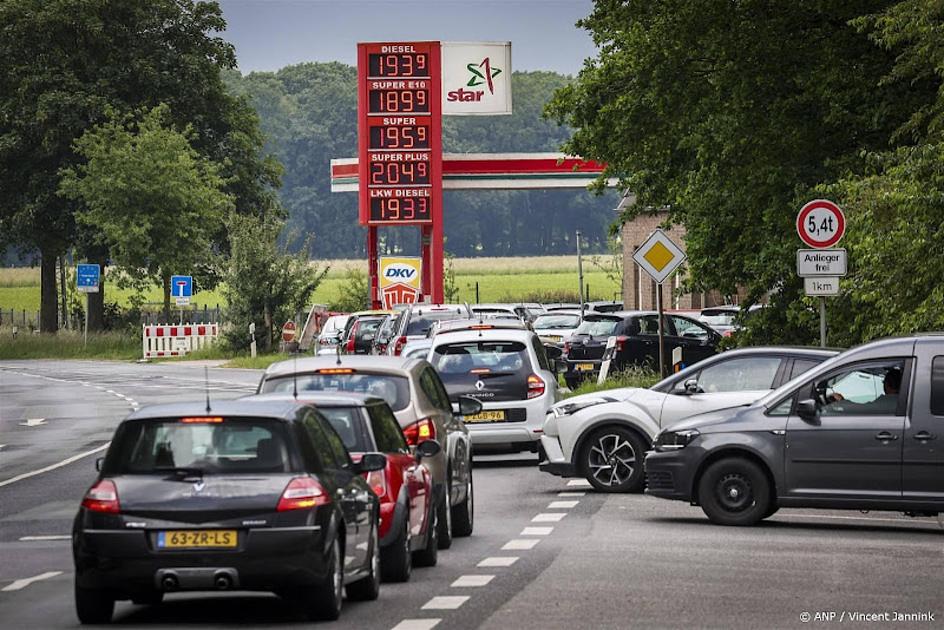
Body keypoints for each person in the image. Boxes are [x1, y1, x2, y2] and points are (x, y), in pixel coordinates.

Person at [825, 367, 901, 414]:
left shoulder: (886, 402)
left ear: (888, 385)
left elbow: (862, 408)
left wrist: (842, 401)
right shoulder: (901, 401)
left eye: (883, 382)